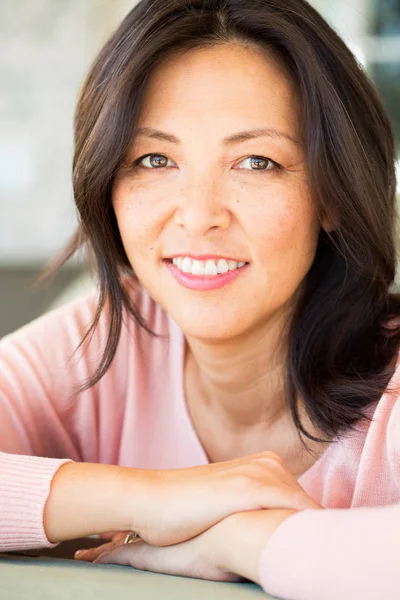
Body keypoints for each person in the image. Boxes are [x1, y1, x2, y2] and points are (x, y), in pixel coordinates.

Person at [1, 0, 400, 598]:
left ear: (332, 194)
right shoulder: (108, 338)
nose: (198, 215)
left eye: (256, 162)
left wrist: (241, 542)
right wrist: (155, 497)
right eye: (155, 159)